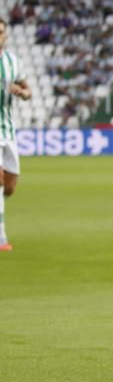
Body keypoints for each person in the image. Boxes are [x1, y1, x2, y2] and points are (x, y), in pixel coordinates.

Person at [0, 20, 32, 252]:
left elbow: (28, 91)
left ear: (6, 36)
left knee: (9, 186)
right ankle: (1, 238)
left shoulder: (13, 62)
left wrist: (22, 92)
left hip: (8, 131)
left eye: (1, 33)